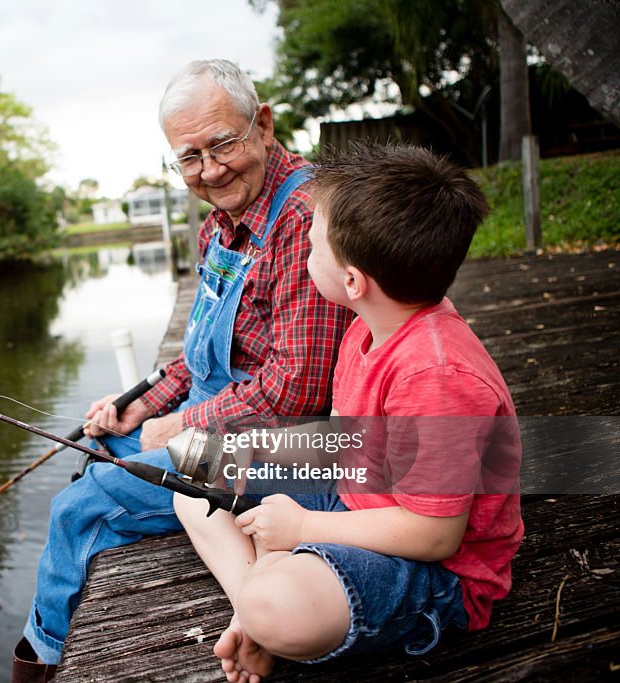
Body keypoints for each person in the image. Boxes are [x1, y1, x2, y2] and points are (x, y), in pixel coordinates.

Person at [12, 59, 351, 681]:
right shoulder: (218, 224)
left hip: (280, 443)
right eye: (189, 157)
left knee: (75, 509)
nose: (211, 169)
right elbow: (196, 350)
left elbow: (296, 390)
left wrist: (180, 425)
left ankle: (42, 660)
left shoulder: (302, 219)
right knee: (100, 440)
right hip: (222, 418)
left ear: (264, 124)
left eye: (222, 143)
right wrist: (142, 402)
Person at [174, 143, 524, 682]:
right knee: (195, 471)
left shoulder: (437, 377)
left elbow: (436, 535)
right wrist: (258, 452)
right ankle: (252, 604)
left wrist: (302, 525)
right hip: (357, 496)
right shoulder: (367, 325)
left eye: (312, 246)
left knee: (277, 606)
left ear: (354, 281)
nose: (304, 253)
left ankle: (260, 609)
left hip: (434, 568)